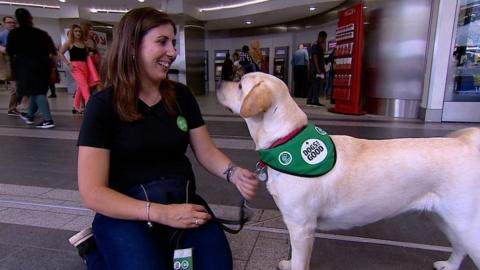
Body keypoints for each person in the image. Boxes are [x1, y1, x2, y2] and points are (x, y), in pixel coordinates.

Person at [74, 7, 259, 270]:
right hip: (125, 210)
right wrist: (161, 213)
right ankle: (98, 253)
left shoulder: (181, 95)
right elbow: (92, 193)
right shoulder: (102, 105)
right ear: (131, 46)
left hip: (181, 201)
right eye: (162, 42)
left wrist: (233, 172)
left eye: (173, 42)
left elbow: (205, 150)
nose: (172, 51)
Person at [7, 8, 56, 128]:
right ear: (31, 18)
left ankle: (48, 120)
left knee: (37, 92)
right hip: (44, 65)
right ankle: (29, 115)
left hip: (26, 66)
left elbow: (10, 51)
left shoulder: (15, 33)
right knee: (35, 91)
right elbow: (52, 49)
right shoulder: (40, 33)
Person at [59, 24, 99, 114]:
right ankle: (90, 107)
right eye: (76, 31)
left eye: (79, 31)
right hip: (75, 67)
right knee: (84, 86)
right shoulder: (69, 43)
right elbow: (60, 53)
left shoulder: (83, 43)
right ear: (72, 32)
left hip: (84, 66)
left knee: (80, 87)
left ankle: (75, 106)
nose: (78, 33)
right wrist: (68, 64)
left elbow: (88, 55)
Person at [0, 15, 21, 116]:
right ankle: (12, 108)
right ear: (4, 23)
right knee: (16, 87)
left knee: (18, 87)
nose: (12, 24)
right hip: (10, 64)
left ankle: (13, 107)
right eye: (9, 22)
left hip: (20, 63)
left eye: (13, 22)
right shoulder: (2, 35)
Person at [306, 31, 327, 106]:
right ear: (320, 37)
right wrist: (318, 68)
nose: (324, 40)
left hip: (316, 68)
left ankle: (309, 100)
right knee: (316, 85)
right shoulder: (316, 46)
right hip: (316, 69)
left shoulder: (318, 46)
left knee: (313, 85)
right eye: (324, 39)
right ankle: (315, 100)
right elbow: (315, 57)